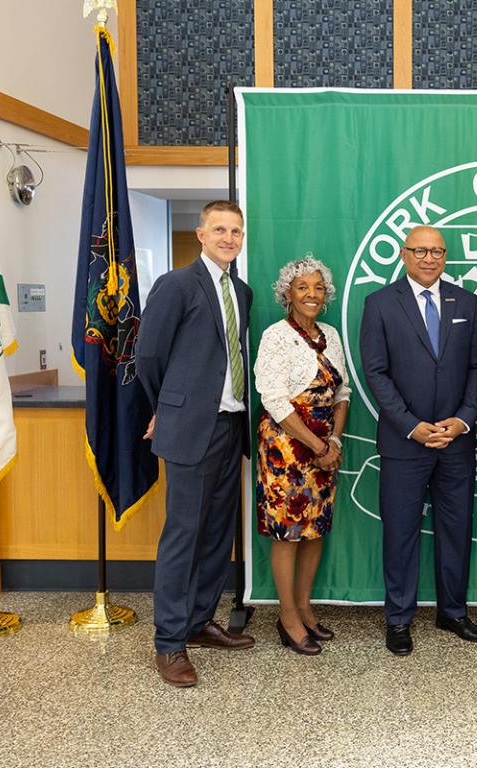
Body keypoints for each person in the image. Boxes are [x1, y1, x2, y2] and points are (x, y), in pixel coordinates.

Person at [137, 200, 255, 688]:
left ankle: (200, 621)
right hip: (190, 429)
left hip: (230, 427)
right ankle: (169, 643)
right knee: (183, 535)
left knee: (215, 534)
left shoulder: (241, 292)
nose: (229, 237)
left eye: (236, 230)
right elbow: (150, 356)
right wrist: (170, 407)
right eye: (220, 229)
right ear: (201, 234)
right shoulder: (176, 285)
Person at [359, 225, 477, 655]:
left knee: (456, 529)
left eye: (437, 251)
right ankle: (398, 618)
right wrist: (411, 425)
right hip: (404, 442)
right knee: (401, 532)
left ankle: (453, 612)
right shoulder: (379, 304)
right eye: (420, 250)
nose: (429, 258)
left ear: (446, 256)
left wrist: (464, 419)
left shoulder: (467, 302)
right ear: (404, 254)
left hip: (456, 441)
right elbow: (375, 372)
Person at [253, 256, 350, 657]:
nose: (311, 294)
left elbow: (342, 393)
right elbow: (273, 398)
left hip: (325, 450)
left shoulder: (330, 334)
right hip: (286, 449)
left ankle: (306, 609)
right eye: (302, 287)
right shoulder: (276, 336)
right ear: (287, 294)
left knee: (315, 530)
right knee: (288, 533)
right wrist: (316, 445)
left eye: (318, 288)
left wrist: (335, 443)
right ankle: (287, 617)